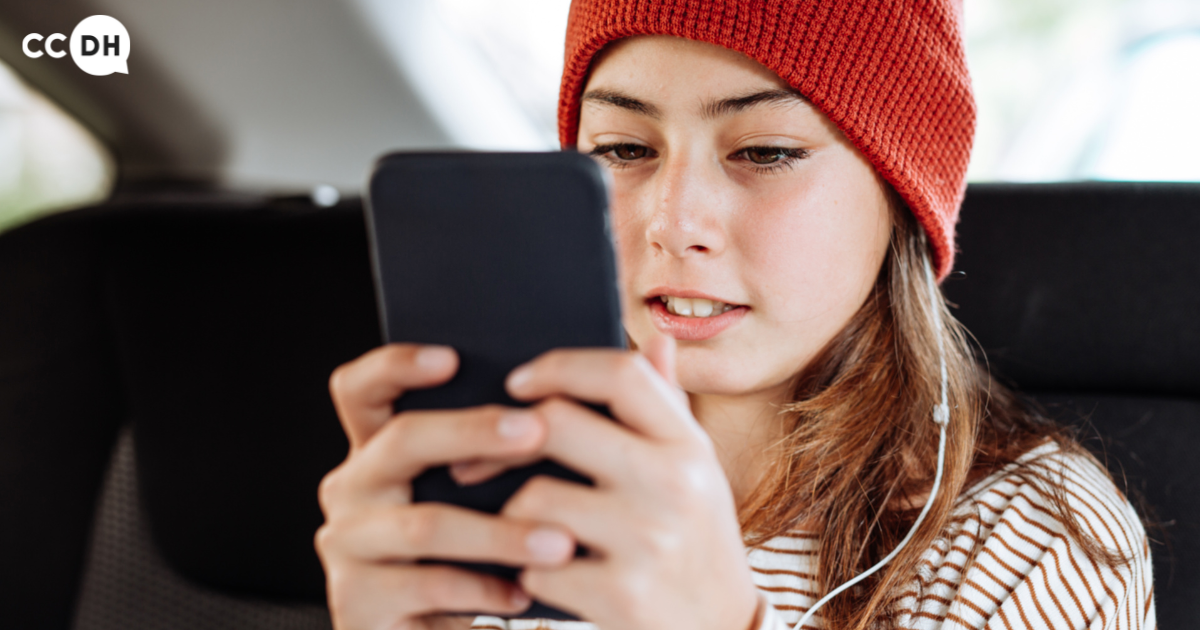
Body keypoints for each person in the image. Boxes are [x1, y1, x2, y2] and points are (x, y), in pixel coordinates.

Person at [314, 1, 1155, 628]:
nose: (671, 222)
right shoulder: (507, 488)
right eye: (624, 150)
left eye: (765, 152)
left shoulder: (1032, 547)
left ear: (903, 198)